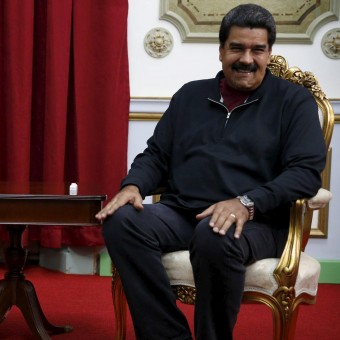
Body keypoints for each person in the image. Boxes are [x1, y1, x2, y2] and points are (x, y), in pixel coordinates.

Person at [96, 4, 326, 340]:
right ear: (221, 51)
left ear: (268, 53)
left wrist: (246, 202)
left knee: (215, 233)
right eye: (237, 48)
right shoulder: (190, 95)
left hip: (257, 223)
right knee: (122, 221)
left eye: (257, 50)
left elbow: (305, 173)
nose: (246, 58)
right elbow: (157, 155)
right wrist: (133, 185)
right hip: (182, 212)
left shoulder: (293, 102)